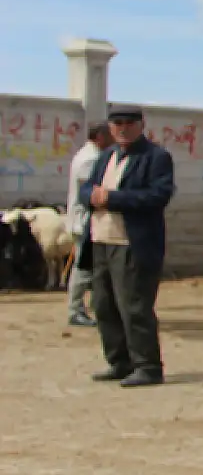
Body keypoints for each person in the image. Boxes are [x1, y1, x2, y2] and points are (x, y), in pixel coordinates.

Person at [77, 105, 176, 387]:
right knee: (104, 306)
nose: (122, 128)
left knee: (134, 307)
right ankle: (119, 362)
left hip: (132, 244)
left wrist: (112, 199)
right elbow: (89, 189)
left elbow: (158, 196)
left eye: (128, 123)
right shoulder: (106, 156)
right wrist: (91, 196)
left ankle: (148, 366)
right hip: (100, 240)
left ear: (140, 125)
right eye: (117, 123)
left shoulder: (156, 157)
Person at [65, 122, 115, 327]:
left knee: (94, 267)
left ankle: (97, 307)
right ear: (101, 137)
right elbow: (94, 190)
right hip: (85, 221)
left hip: (89, 221)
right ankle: (75, 310)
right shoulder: (91, 159)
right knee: (83, 268)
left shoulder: (88, 155)